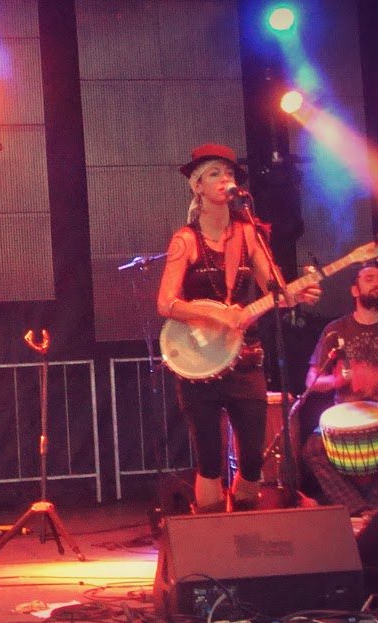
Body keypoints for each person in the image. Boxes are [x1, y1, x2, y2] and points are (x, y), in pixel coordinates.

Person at [157, 143, 321, 512]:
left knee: (251, 459)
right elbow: (165, 303)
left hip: (245, 358)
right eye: (214, 173)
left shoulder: (249, 233)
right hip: (200, 364)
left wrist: (297, 294)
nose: (224, 179)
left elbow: (274, 291)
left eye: (229, 173)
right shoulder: (185, 239)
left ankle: (245, 526)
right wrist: (217, 315)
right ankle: (214, 532)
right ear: (197, 186)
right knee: (210, 461)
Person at [301, 263, 378, 518]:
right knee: (312, 448)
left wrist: (373, 375)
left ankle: (377, 511)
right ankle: (360, 510)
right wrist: (337, 380)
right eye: (369, 278)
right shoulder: (335, 330)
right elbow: (312, 380)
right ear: (355, 290)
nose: (377, 282)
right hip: (344, 415)